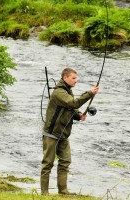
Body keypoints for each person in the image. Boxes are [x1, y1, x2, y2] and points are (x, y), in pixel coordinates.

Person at [41, 67, 99, 195]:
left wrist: (78, 115)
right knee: (47, 163)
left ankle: (63, 191)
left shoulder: (67, 91)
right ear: (65, 77)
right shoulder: (59, 93)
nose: (75, 81)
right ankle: (44, 193)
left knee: (65, 161)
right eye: (73, 78)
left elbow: (70, 109)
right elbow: (73, 103)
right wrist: (89, 93)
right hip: (51, 133)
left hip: (63, 134)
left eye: (76, 78)